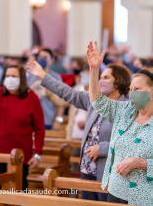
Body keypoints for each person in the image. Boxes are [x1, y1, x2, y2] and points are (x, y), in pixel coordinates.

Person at [27, 56, 131, 202]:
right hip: (87, 168)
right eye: (100, 77)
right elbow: (68, 93)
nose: (100, 81)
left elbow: (129, 141)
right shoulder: (95, 101)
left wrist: (101, 148)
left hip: (109, 172)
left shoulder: (127, 108)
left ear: (118, 82)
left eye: (106, 78)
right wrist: (44, 76)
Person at [88, 41, 153, 205]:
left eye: (138, 89)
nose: (132, 94)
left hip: (145, 198)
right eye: (131, 89)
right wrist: (94, 69)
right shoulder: (125, 110)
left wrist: (140, 163)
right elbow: (97, 101)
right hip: (116, 191)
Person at [0, 65, 45, 191]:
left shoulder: (31, 98)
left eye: (14, 76)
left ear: (21, 79)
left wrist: (37, 154)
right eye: (7, 76)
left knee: (19, 189)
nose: (10, 79)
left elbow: (39, 129)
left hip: (20, 156)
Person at [27, 48, 64, 130]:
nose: (41, 59)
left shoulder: (55, 77)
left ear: (51, 61)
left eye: (45, 57)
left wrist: (58, 120)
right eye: (40, 56)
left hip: (48, 120)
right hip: (30, 119)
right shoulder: (30, 75)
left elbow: (61, 101)